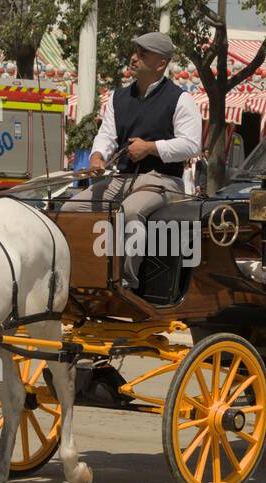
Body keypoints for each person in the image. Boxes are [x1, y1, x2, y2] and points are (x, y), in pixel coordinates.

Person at [62, 31, 202, 290]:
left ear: (161, 64)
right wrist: (97, 156)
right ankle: (78, 277)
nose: (134, 58)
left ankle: (125, 283)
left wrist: (151, 148)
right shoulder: (118, 97)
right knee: (71, 209)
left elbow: (192, 144)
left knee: (130, 211)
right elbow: (107, 135)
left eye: (142, 54)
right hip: (123, 178)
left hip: (163, 180)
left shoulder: (180, 100)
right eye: (135, 52)